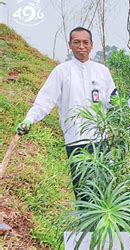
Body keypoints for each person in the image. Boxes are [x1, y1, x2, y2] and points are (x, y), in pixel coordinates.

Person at [16, 27, 117, 201]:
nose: (81, 46)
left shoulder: (102, 71)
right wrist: (29, 120)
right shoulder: (61, 71)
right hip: (75, 139)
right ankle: (86, 227)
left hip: (100, 139)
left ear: (92, 45)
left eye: (85, 42)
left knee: (105, 188)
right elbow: (45, 101)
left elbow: (112, 100)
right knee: (83, 189)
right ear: (69, 45)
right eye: (76, 42)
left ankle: (104, 228)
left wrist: (117, 105)